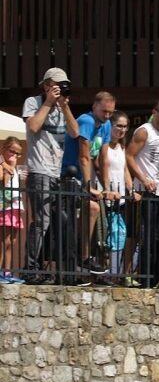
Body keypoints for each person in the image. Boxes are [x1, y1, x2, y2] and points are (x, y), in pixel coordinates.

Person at [22, 67, 79, 283]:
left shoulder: (61, 108)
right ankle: (30, 268)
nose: (60, 89)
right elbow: (33, 126)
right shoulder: (33, 102)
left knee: (59, 221)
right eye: (57, 85)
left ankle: (54, 266)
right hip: (39, 169)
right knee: (42, 220)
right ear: (46, 85)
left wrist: (64, 107)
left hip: (56, 173)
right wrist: (47, 102)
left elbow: (74, 133)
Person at [126, 98, 159, 288]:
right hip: (146, 191)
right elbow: (129, 156)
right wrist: (143, 179)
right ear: (154, 111)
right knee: (148, 235)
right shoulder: (144, 131)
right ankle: (145, 277)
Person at [64, 91, 116, 274]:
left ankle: (84, 256)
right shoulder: (86, 121)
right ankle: (81, 255)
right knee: (91, 208)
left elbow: (102, 159)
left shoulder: (107, 124)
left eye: (110, 112)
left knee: (92, 209)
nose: (107, 115)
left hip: (83, 176)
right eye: (104, 111)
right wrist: (89, 187)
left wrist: (107, 188)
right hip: (69, 174)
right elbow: (84, 156)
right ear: (94, 107)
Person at [99, 110, 138, 285]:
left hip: (120, 198)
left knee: (119, 234)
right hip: (108, 197)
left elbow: (124, 172)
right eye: (118, 126)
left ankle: (115, 271)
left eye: (124, 126)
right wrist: (107, 190)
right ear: (111, 126)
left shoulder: (122, 148)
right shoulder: (105, 146)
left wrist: (131, 190)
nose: (121, 130)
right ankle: (107, 271)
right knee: (108, 235)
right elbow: (103, 168)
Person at [0, 138, 26, 284]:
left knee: (12, 241)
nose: (14, 156)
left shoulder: (14, 167)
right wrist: (6, 167)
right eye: (12, 151)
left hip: (15, 206)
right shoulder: (2, 165)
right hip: (5, 207)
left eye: (18, 154)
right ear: (4, 149)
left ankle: (7, 271)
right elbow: (3, 182)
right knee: (4, 241)